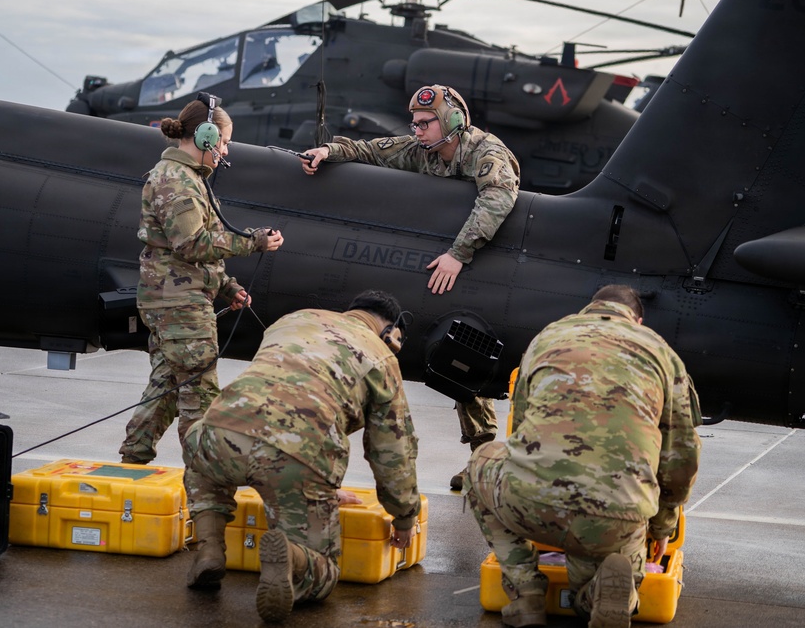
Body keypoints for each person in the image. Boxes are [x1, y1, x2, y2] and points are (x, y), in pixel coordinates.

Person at [301, 84, 520, 490]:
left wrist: (459, 253)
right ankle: (484, 457)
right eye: (414, 123)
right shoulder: (421, 149)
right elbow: (371, 151)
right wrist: (329, 151)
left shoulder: (485, 153)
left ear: (452, 121)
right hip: (448, 261)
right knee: (457, 360)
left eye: (425, 123)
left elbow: (499, 197)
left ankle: (489, 460)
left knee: (468, 355)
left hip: (488, 259)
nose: (416, 131)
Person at [464, 284, 701, 628]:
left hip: (533, 503)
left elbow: (520, 428)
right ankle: (599, 597)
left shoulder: (547, 337)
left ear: (589, 309)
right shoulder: (661, 353)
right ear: (637, 320)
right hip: (617, 514)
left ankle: (526, 594)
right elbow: (682, 457)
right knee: (601, 569)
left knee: (479, 463)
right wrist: (663, 524)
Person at [181, 290, 421, 623]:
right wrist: (405, 517)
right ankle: (294, 558)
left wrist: (324, 487)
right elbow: (393, 453)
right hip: (297, 458)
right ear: (391, 332)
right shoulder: (382, 357)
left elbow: (277, 395)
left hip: (219, 432)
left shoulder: (293, 319)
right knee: (323, 575)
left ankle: (209, 548)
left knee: (202, 466)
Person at [119, 96, 284, 464]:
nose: (225, 150)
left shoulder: (187, 178)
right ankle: (205, 476)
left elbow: (185, 249)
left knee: (166, 386)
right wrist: (254, 241)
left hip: (174, 300)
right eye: (224, 142)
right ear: (206, 136)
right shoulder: (177, 181)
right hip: (180, 306)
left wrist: (226, 287)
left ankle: (134, 457)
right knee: (200, 395)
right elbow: (191, 244)